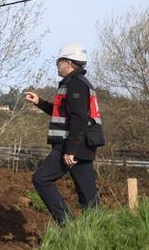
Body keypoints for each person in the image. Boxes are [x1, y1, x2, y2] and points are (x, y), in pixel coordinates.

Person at [24, 44, 104, 224]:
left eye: (58, 61)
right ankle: (97, 230)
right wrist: (39, 102)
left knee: (41, 179)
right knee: (89, 197)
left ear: (68, 62)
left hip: (71, 144)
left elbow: (78, 118)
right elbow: (63, 113)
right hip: (83, 145)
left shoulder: (74, 84)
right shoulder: (80, 83)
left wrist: (70, 150)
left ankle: (67, 225)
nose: (57, 65)